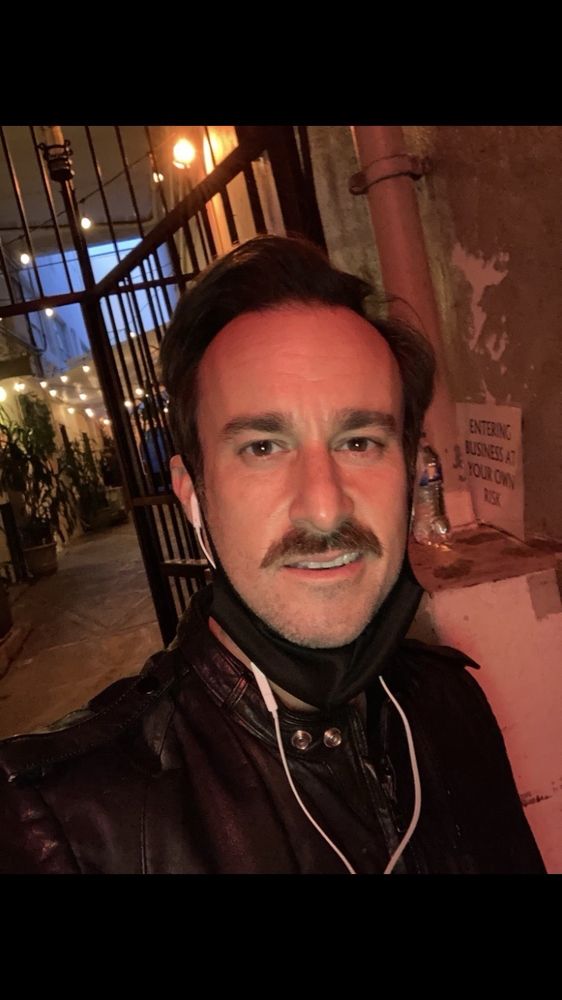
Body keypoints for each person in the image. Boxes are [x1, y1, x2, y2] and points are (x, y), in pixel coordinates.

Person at [0, 235, 545, 874]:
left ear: (409, 471)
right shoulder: (65, 824)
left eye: (360, 442)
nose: (325, 508)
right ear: (193, 494)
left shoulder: (453, 703)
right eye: (262, 447)